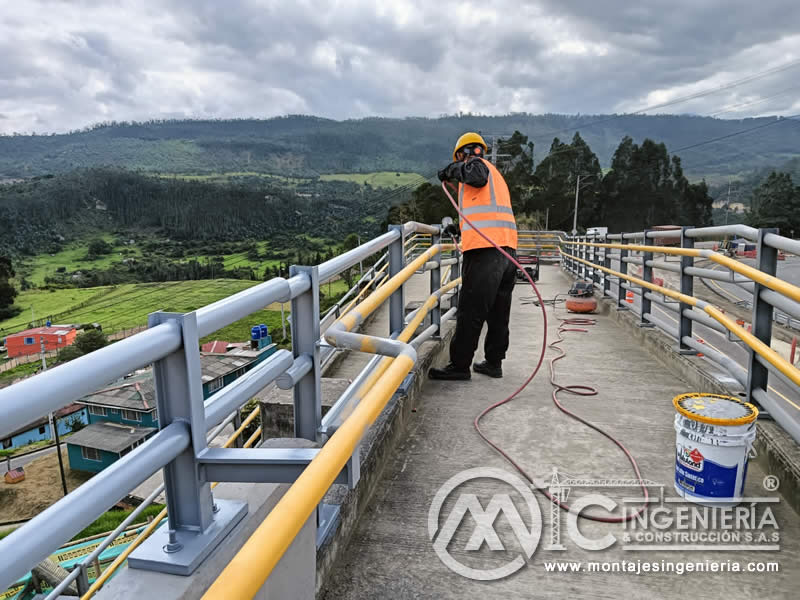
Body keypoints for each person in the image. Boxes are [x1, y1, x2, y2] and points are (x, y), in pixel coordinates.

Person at [429, 132, 518, 381]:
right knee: (499, 311)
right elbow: (485, 214)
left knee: (470, 309)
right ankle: (493, 362)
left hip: (485, 250)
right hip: (507, 250)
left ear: (464, 153)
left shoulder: (476, 165)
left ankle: (459, 366)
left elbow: (476, 177)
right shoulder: (497, 175)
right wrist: (457, 229)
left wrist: (450, 170)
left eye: (459, 158)